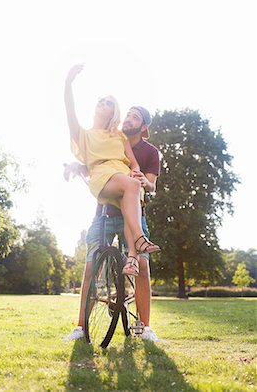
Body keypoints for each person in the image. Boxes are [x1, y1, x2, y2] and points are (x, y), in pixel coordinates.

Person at [63, 98, 161, 342]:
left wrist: (142, 180)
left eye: (135, 117)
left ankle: (145, 326)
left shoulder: (150, 152)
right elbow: (97, 164)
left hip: (134, 215)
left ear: (143, 128)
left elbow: (151, 185)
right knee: (90, 266)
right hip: (104, 212)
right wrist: (78, 165)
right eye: (128, 115)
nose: (129, 119)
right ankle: (80, 326)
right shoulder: (113, 137)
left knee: (143, 266)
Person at [64, 64, 160, 278]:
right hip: (104, 180)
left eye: (109, 103)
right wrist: (68, 83)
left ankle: (133, 257)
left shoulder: (120, 137)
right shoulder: (85, 134)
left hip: (125, 183)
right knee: (92, 267)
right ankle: (139, 239)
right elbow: (70, 112)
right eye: (102, 100)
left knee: (132, 193)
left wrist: (137, 172)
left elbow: (133, 163)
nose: (103, 103)